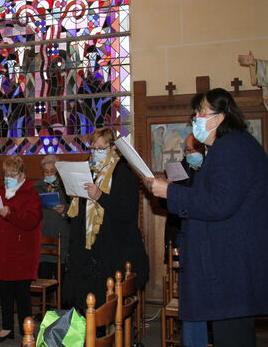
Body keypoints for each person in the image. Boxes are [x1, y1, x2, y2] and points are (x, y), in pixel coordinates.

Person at [147, 88, 268, 347]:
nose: (196, 119)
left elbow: (219, 203)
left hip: (231, 267)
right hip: (228, 266)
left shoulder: (232, 148)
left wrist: (171, 191)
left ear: (220, 117)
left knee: (233, 338)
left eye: (201, 113)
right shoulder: (231, 146)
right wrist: (171, 193)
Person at [65, 127, 149, 310]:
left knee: (108, 304)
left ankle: (108, 336)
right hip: (89, 248)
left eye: (100, 149)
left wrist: (100, 196)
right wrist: (75, 197)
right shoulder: (88, 170)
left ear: (112, 148)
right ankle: (89, 335)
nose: (95, 153)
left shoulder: (122, 173)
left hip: (113, 249)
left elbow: (126, 212)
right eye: (93, 149)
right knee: (85, 299)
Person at [0, 156, 42, 343]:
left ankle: (28, 330)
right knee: (5, 292)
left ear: (22, 175)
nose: (8, 178)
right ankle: (7, 328)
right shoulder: (1, 193)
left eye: (12, 174)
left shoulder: (30, 194)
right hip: (2, 252)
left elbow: (31, 221)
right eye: (6, 174)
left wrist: (10, 213)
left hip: (21, 253)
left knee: (22, 295)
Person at [160, 133, 208, 347]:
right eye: (187, 150)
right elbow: (167, 205)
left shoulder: (211, 170)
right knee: (188, 289)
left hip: (204, 237)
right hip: (181, 232)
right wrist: (168, 191)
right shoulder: (180, 168)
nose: (190, 155)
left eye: (193, 150)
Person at [33, 155, 70, 281]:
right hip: (43, 239)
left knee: (62, 281)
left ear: (58, 171)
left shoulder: (66, 187)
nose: (49, 174)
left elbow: (76, 210)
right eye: (46, 171)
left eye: (52, 171)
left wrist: (64, 209)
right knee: (44, 279)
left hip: (61, 239)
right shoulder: (36, 189)